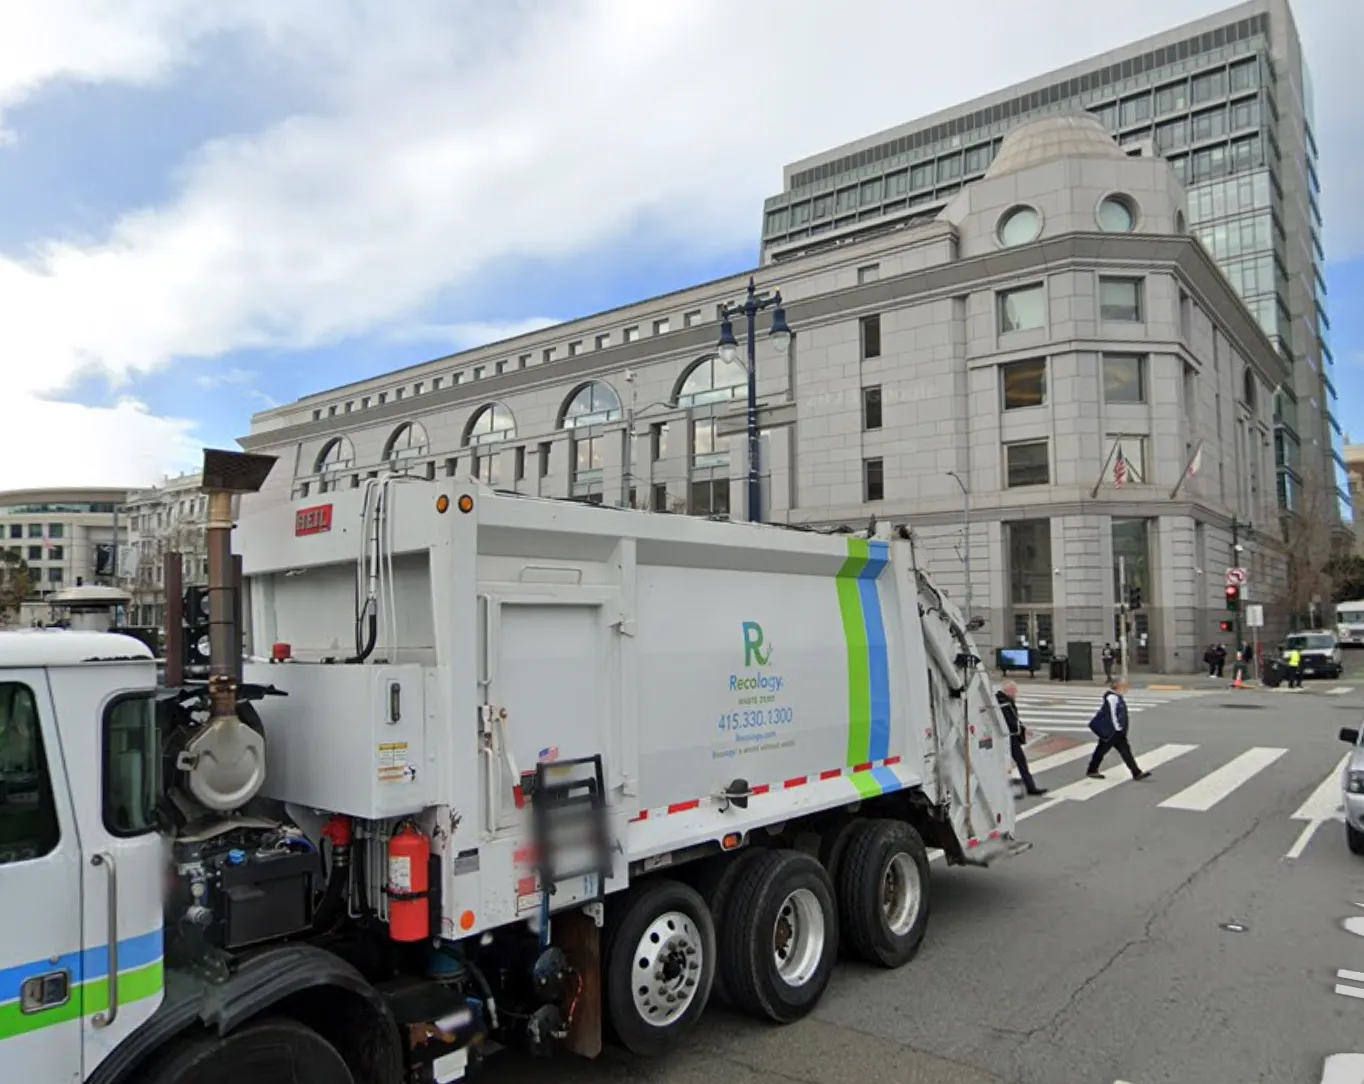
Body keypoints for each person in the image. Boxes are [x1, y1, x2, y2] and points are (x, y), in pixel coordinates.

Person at [1086, 679, 1152, 782]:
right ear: (1118, 687)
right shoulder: (1112, 698)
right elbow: (1111, 714)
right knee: (1102, 750)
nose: (1126, 689)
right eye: (1124, 686)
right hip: (1112, 731)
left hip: (1116, 732)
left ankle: (1136, 772)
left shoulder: (1117, 697)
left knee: (1125, 751)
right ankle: (1092, 770)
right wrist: (1117, 728)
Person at [996, 681, 1048, 797]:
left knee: (1007, 763)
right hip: (1010, 737)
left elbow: (1014, 719)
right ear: (1008, 691)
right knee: (1021, 762)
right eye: (1014, 691)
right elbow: (1011, 722)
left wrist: (1023, 728)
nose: (1016, 693)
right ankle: (1030, 787)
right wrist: (1021, 730)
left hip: (1005, 737)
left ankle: (1027, 787)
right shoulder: (1005, 704)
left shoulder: (1001, 701)